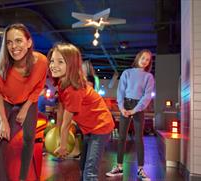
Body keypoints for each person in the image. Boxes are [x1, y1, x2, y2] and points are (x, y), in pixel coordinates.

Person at [0, 23, 48, 181]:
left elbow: (39, 86)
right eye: (9, 42)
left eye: (18, 41)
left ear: (28, 43)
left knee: (29, 137)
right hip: (5, 99)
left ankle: (22, 178)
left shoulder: (41, 62)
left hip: (28, 99)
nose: (14, 46)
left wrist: (25, 108)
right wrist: (3, 120)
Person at [47, 42, 114, 180]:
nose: (53, 65)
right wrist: (58, 132)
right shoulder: (61, 83)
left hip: (101, 127)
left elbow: (67, 122)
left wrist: (63, 145)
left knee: (90, 172)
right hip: (89, 128)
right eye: (52, 61)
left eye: (60, 62)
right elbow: (61, 108)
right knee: (83, 167)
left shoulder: (73, 89)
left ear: (71, 65)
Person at [105, 49, 155, 181]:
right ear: (138, 57)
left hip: (139, 107)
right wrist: (121, 108)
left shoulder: (149, 77)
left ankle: (140, 170)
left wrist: (135, 110)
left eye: (148, 60)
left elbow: (147, 96)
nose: (145, 61)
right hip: (125, 104)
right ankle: (119, 167)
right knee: (121, 137)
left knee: (139, 138)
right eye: (143, 58)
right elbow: (120, 91)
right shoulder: (127, 72)